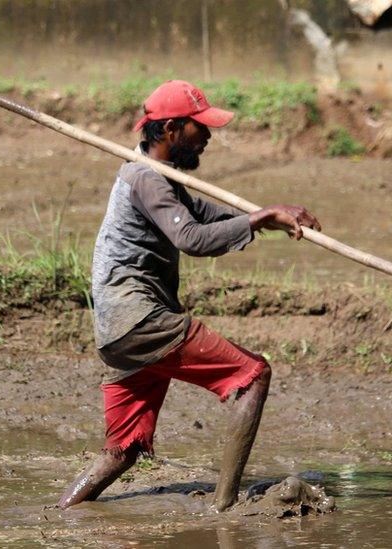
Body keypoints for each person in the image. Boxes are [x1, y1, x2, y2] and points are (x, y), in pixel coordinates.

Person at [58, 80, 321, 511]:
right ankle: (225, 507)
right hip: (142, 319)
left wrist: (268, 217)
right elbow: (192, 238)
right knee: (252, 377)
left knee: (123, 451)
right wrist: (259, 219)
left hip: (117, 331)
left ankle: (61, 512)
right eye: (200, 128)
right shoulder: (146, 178)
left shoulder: (159, 177)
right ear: (171, 130)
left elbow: (205, 216)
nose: (209, 137)